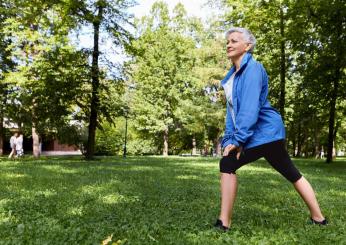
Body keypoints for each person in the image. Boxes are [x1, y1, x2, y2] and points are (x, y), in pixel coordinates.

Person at [214, 27, 327, 231]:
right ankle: (319, 218)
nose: (229, 44)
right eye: (227, 41)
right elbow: (231, 113)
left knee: (227, 164)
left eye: (234, 41)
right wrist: (228, 139)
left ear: (247, 46)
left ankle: (224, 222)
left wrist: (238, 140)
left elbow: (249, 110)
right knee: (292, 173)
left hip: (263, 132)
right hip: (267, 134)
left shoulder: (253, 69)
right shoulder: (233, 77)